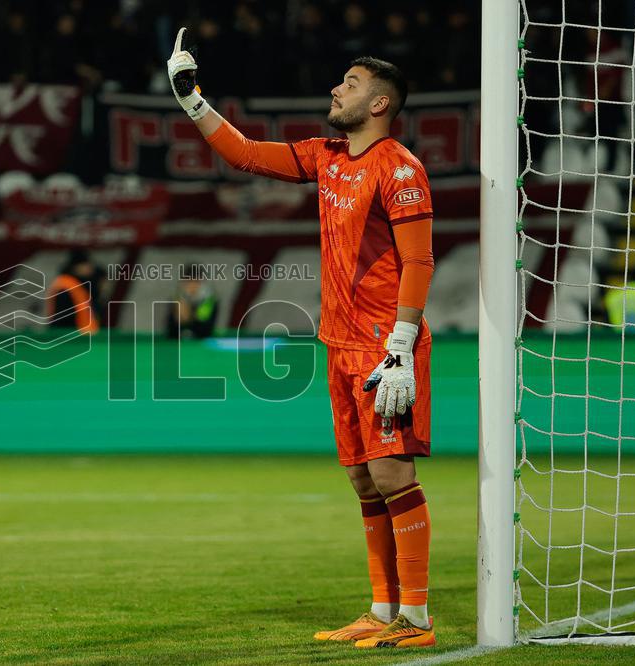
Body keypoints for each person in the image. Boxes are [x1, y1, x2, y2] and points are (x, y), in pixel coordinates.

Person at [167, 30, 436, 648]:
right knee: (364, 481)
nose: (335, 89)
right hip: (339, 341)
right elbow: (245, 155)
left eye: (350, 83)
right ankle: (380, 608)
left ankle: (417, 620)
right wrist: (192, 100)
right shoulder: (328, 156)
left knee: (394, 478)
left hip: (382, 346)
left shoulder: (401, 168)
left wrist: (400, 347)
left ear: (379, 105)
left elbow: (419, 262)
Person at [45, 249, 102, 335]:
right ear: (76, 267)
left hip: (81, 337)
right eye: (85, 265)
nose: (90, 268)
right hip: (71, 338)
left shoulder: (78, 284)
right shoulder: (66, 286)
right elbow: (63, 317)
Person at [165, 267, 218, 339]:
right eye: (189, 281)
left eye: (196, 281)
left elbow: (203, 327)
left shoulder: (209, 299)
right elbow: (171, 329)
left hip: (202, 340)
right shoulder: (177, 297)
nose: (192, 286)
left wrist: (188, 313)